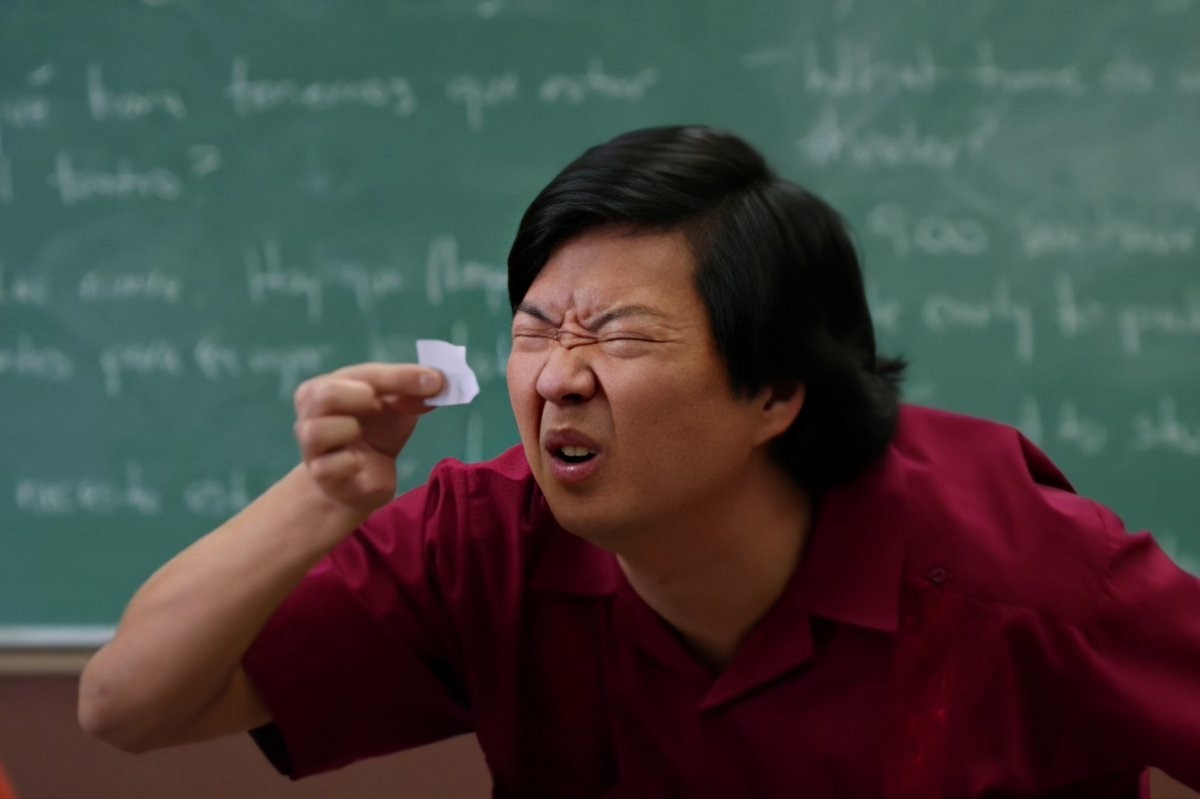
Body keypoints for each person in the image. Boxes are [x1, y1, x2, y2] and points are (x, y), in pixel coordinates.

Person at [78, 126, 1200, 797]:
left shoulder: (1012, 561)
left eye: (617, 336)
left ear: (776, 391)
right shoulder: (487, 538)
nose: (558, 379)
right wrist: (323, 497)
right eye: (534, 330)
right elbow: (127, 705)